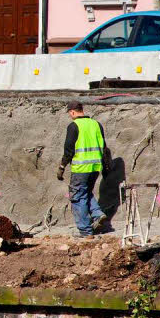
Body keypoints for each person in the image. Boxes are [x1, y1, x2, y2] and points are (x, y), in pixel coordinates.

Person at [57, 101, 111, 237]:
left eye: (70, 113)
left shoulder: (74, 126)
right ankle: (98, 214)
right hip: (95, 167)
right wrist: (105, 167)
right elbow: (104, 147)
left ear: (72, 112)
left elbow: (69, 149)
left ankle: (85, 231)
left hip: (81, 168)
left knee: (77, 197)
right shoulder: (96, 124)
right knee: (85, 192)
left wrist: (62, 166)